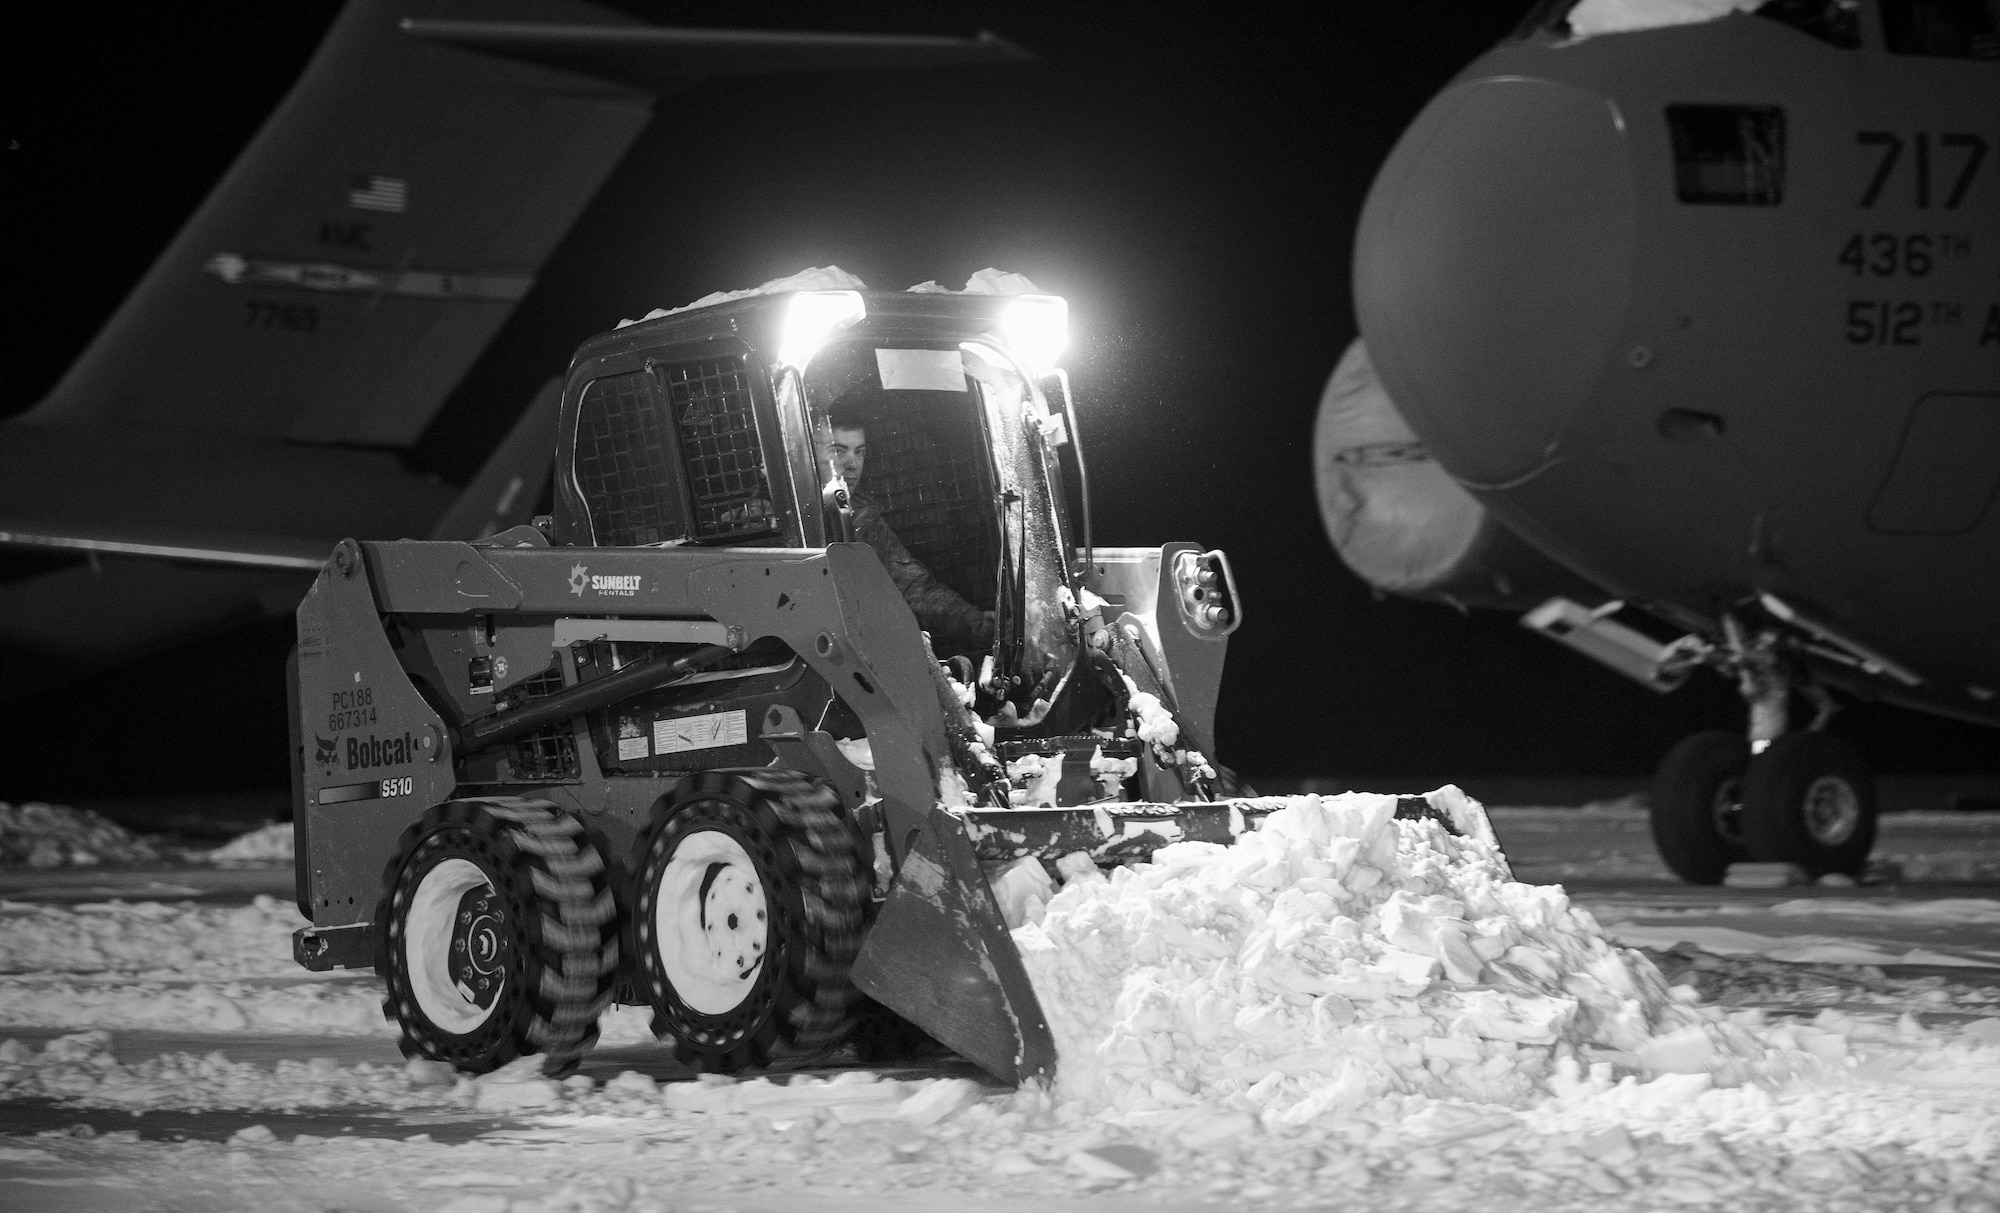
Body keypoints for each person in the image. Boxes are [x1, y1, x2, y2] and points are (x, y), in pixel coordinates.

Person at [820, 411, 996, 657]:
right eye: (839, 451)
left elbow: (914, 589)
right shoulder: (773, 522)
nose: (853, 464)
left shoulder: (865, 521)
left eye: (859, 452)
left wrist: (973, 622)